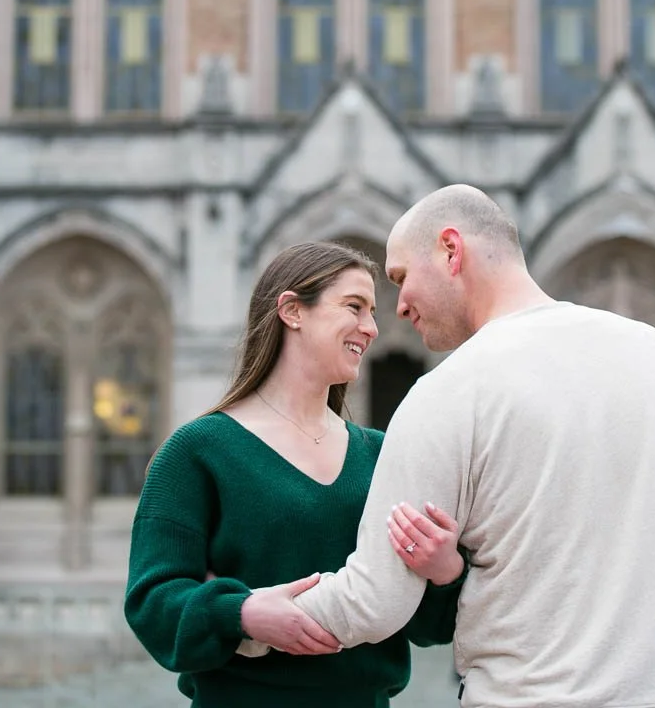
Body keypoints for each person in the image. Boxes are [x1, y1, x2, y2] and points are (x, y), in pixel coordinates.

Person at [245, 185, 655, 708]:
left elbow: (375, 600)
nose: (398, 307)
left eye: (401, 277)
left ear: (451, 250)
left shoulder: (448, 393)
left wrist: (243, 624)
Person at [124, 240, 467, 708]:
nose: (370, 328)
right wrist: (241, 613)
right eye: (354, 307)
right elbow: (152, 604)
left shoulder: (383, 454)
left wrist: (445, 571)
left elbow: (429, 627)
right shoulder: (195, 452)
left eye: (372, 311)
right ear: (292, 311)